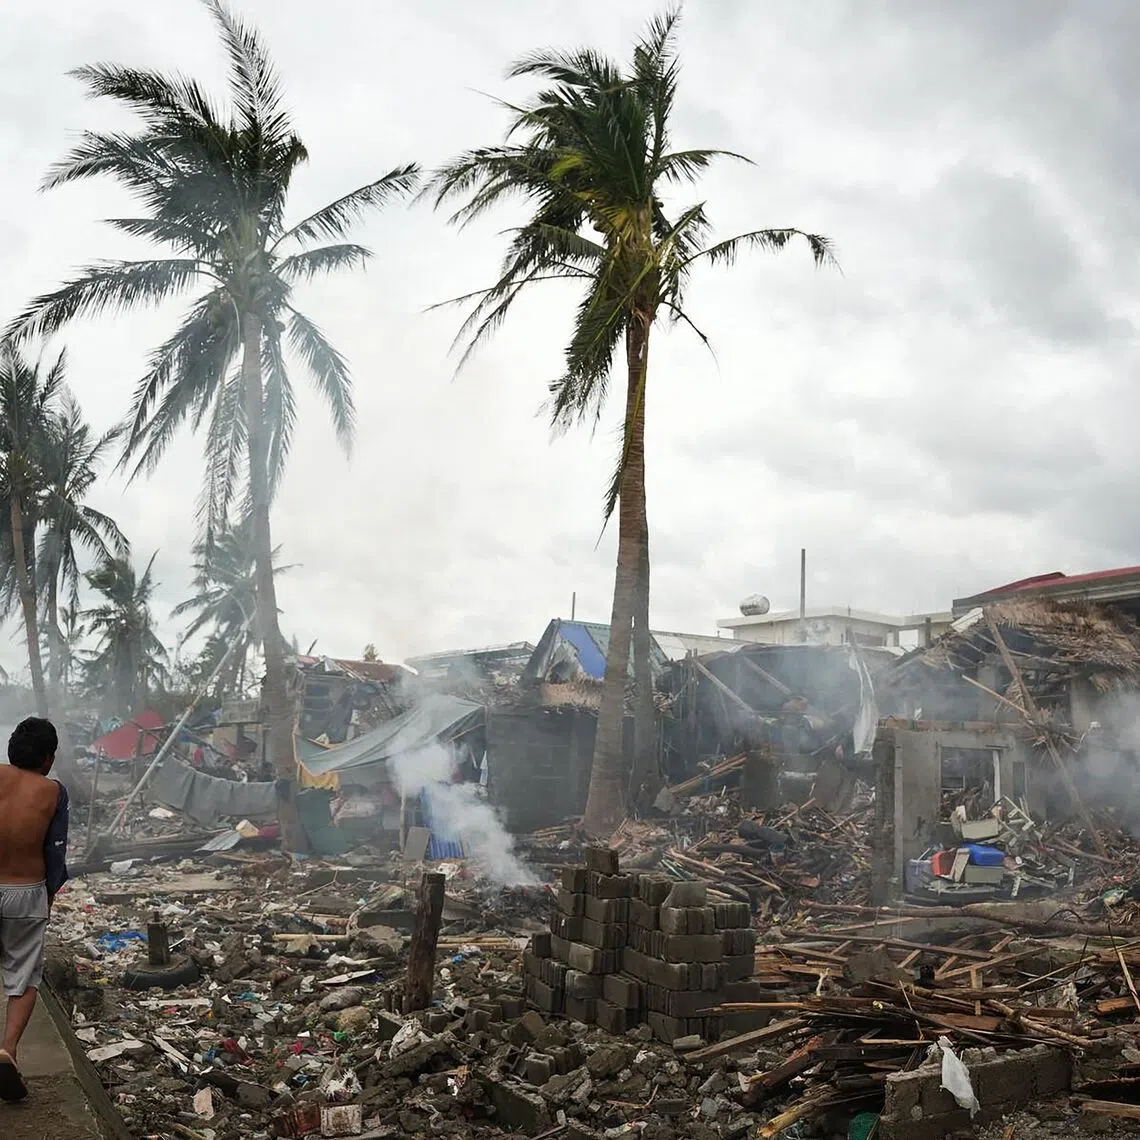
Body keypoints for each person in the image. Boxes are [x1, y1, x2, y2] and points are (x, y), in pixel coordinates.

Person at [0, 717, 69, 1102]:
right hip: (25, 892)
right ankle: (7, 1050)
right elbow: (55, 850)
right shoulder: (53, 791)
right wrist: (51, 894)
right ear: (48, 758)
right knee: (23, 978)